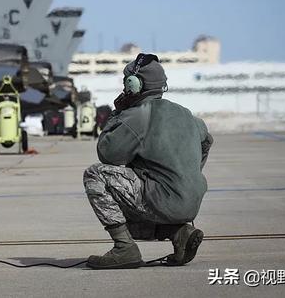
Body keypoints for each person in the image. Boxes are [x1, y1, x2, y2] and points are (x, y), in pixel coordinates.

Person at [83, 53, 213, 269]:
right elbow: (207, 140)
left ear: (134, 84)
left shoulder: (138, 116)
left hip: (163, 200)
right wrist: (187, 172)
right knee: (135, 208)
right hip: (190, 202)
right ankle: (180, 233)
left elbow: (107, 154)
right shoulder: (186, 114)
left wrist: (117, 115)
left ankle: (124, 248)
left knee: (95, 175)